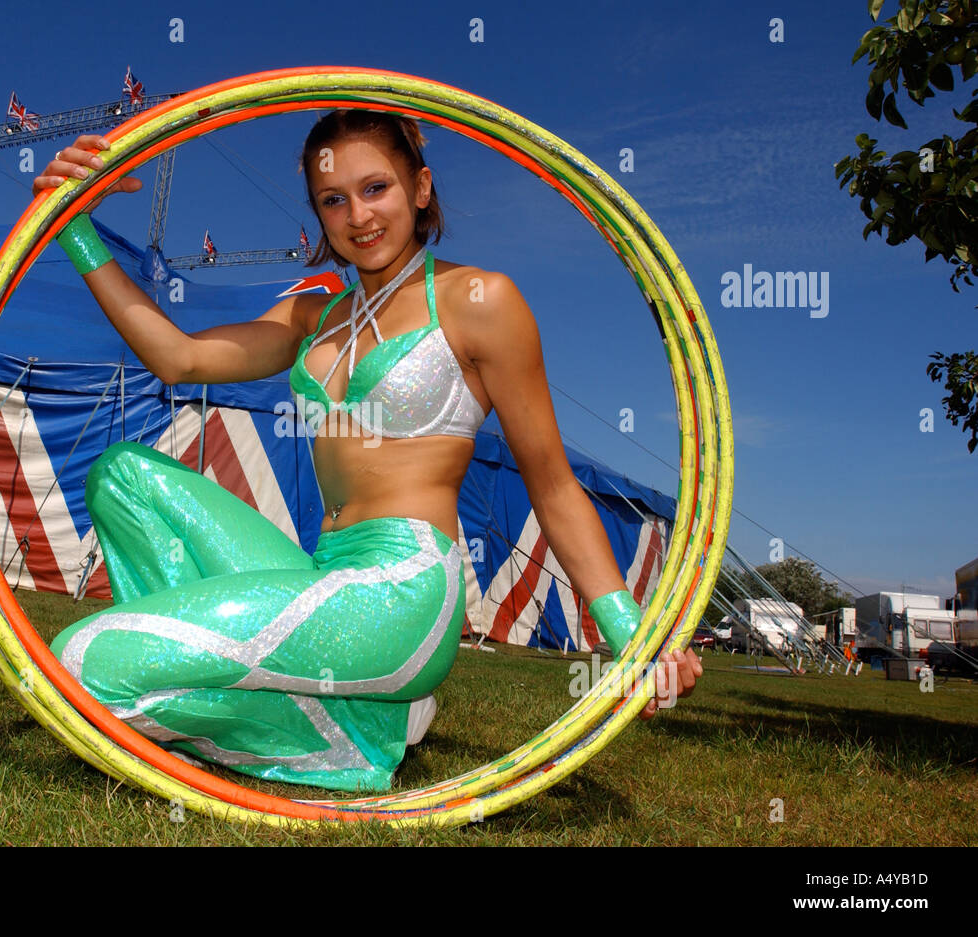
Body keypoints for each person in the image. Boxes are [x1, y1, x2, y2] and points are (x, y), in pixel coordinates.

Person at [34, 111, 702, 792]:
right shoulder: (313, 315)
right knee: (122, 478)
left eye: (376, 187)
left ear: (420, 186)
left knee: (80, 662)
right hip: (326, 573)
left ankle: (344, 723)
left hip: (406, 585)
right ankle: (347, 713)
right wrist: (71, 226)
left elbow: (553, 485)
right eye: (333, 199)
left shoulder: (478, 301)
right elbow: (177, 358)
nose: (358, 214)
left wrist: (633, 636)